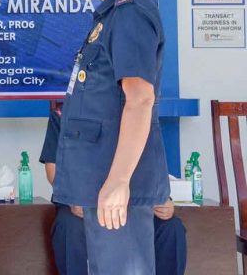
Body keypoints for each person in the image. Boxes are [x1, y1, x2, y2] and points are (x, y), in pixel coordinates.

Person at [52, 0, 171, 274]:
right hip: (101, 178)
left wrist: (119, 182)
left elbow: (140, 99)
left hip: (117, 181)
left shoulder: (130, 14)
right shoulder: (110, 15)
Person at [40, 108, 187, 274]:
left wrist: (163, 198)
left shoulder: (135, 107)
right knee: (69, 226)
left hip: (133, 202)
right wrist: (74, 198)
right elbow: (52, 168)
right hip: (82, 201)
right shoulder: (66, 108)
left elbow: (152, 162)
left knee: (171, 227)